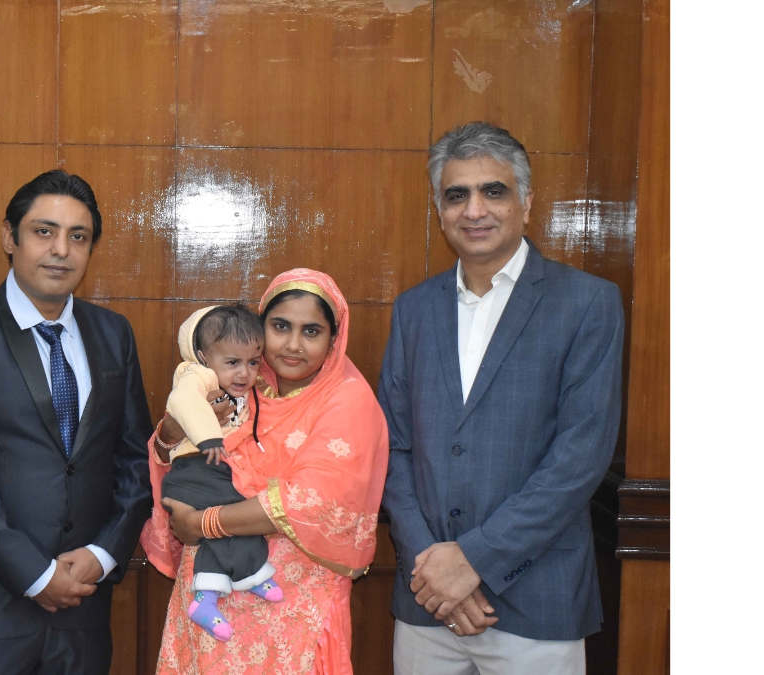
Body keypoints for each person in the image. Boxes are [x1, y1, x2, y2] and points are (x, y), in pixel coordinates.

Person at [379, 121, 624, 674]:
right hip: (427, 600)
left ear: (526, 202)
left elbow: (580, 458)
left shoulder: (587, 303)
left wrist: (473, 562)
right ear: (439, 209)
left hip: (538, 599)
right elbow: (392, 447)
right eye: (456, 195)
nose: (474, 210)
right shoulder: (414, 309)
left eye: (494, 191)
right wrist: (433, 567)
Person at [0, 170, 153, 675]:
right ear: (9, 238)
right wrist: (36, 574)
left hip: (83, 601)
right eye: (44, 231)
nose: (61, 250)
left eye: (78, 237)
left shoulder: (114, 334)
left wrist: (105, 553)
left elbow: (134, 458)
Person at [142, 269, 389, 675]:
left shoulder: (347, 402)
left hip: (294, 605)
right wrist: (170, 432)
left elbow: (309, 501)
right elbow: (173, 458)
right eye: (280, 326)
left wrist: (203, 523)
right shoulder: (241, 380)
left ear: (333, 339)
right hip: (211, 597)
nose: (293, 344)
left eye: (312, 331)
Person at [157, 305, 283, 643]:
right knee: (239, 507)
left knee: (223, 523)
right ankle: (251, 571)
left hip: (213, 470)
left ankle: (205, 599)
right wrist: (208, 436)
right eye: (232, 362)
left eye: (253, 362)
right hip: (194, 469)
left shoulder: (249, 389)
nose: (244, 373)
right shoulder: (196, 375)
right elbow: (182, 400)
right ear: (203, 357)